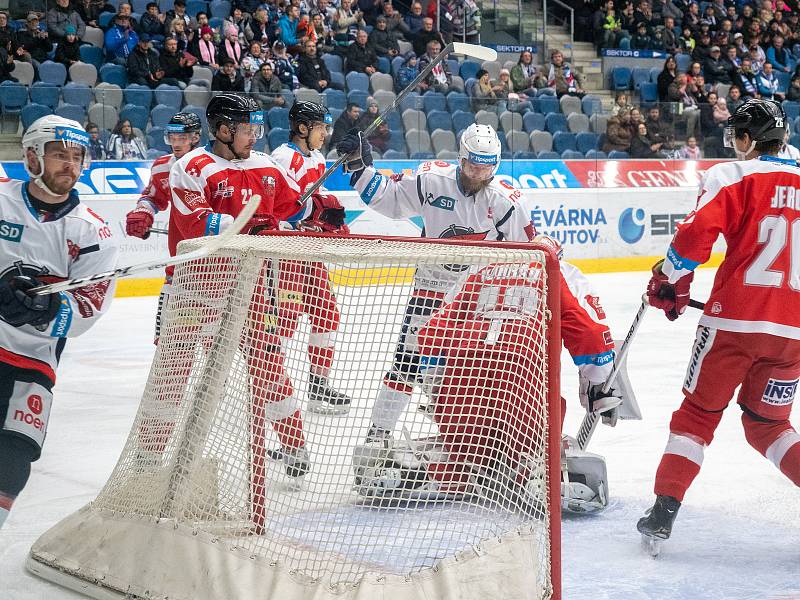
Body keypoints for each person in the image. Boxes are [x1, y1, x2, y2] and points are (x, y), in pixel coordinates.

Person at [337, 124, 618, 505]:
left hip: (478, 296)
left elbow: (529, 257)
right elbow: (388, 198)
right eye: (473, 166)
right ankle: (378, 434)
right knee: (407, 362)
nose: (478, 174)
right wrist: (359, 168)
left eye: (487, 168)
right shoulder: (431, 180)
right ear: (461, 158)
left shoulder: (505, 201)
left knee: (474, 369)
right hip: (431, 286)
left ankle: (492, 440)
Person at [638, 99, 800, 550]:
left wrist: (671, 281)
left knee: (697, 414)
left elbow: (693, 240)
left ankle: (663, 513)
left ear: (748, 139)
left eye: (737, 137)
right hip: (794, 333)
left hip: (734, 324)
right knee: (768, 425)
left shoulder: (732, 175)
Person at [167, 94, 311, 489]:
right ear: (224, 130)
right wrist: (248, 225)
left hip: (249, 285)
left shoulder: (265, 165)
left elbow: (294, 206)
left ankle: (294, 444)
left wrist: (319, 212)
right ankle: (149, 452)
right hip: (197, 287)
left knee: (268, 362)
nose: (254, 136)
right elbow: (197, 223)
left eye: (254, 129)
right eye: (247, 129)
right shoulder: (191, 167)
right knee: (174, 370)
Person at [0, 116, 118, 529]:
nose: (69, 165)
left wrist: (42, 310)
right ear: (32, 157)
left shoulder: (92, 231)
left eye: (76, 157)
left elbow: (88, 309)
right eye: (58, 156)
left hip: (33, 357)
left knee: (16, 451)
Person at [270, 101, 352, 414]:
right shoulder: (282, 157)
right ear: (303, 128)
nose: (325, 134)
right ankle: (269, 385)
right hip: (283, 253)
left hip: (309, 251)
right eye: (320, 128)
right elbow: (282, 206)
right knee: (284, 326)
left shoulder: (317, 158)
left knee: (327, 316)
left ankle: (318, 388)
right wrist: (314, 211)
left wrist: (329, 215)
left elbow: (312, 202)